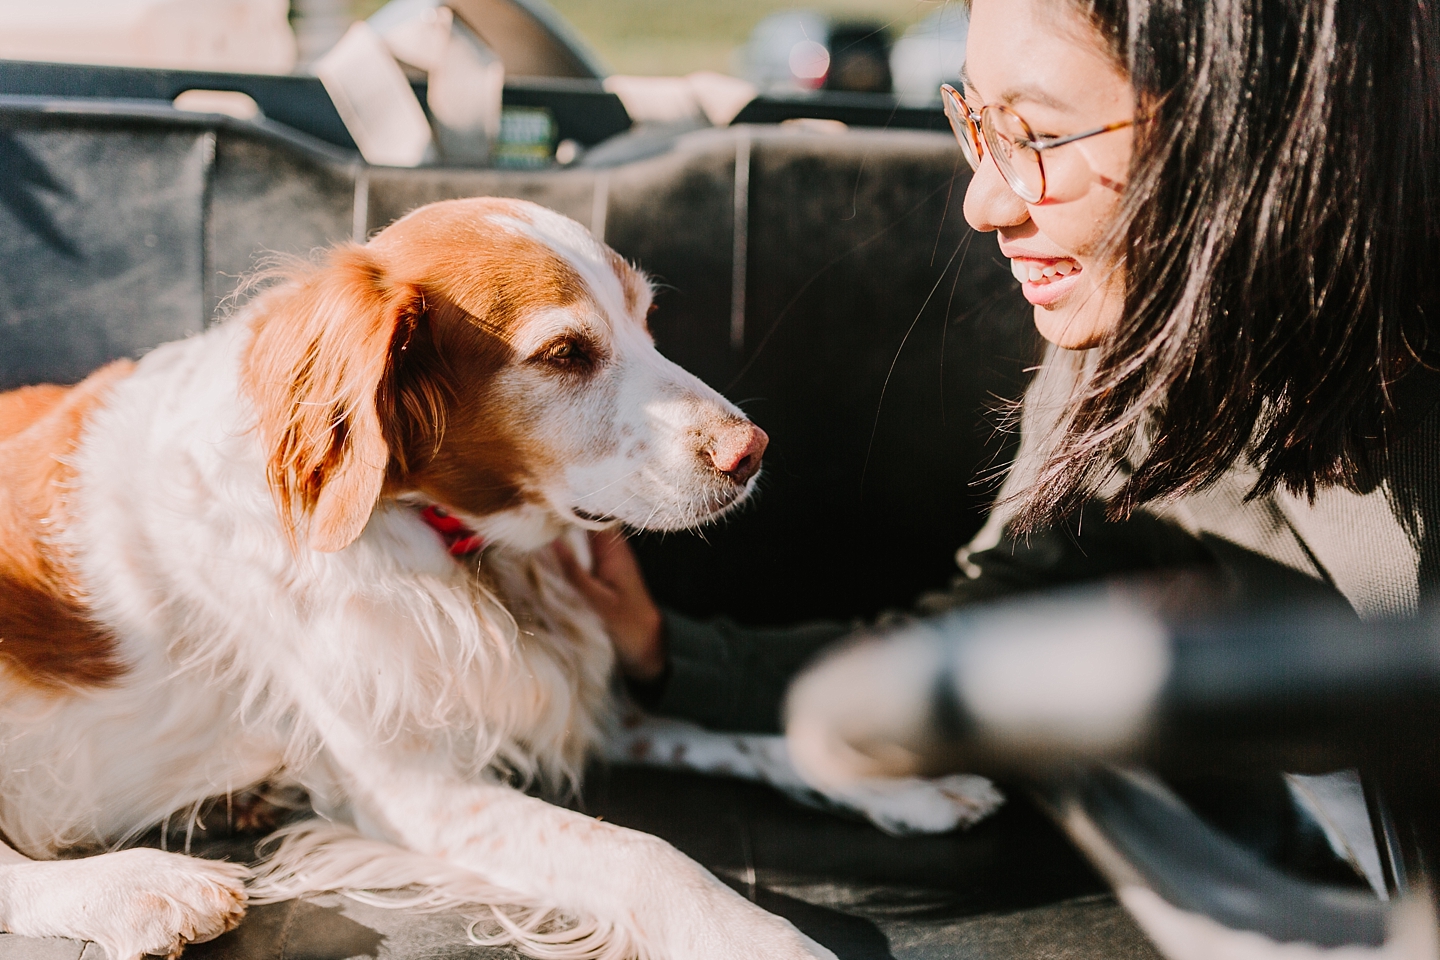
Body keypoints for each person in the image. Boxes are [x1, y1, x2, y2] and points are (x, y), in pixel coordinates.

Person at [559, 0, 1440, 737]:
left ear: (1272, 120)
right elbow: (1001, 620)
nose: (983, 201)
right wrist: (664, 650)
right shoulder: (1126, 348)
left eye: (1042, 135)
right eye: (978, 123)